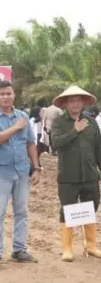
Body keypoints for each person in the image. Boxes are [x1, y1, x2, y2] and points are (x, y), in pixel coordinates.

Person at [0, 80, 41, 270]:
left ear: (14, 95)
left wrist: (36, 168)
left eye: (9, 93)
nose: (6, 97)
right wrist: (16, 127)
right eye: (2, 94)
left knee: (21, 211)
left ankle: (19, 249)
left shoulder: (23, 115)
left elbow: (31, 144)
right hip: (0, 172)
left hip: (22, 171)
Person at [50, 85, 101, 261]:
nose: (75, 103)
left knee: (91, 208)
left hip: (90, 175)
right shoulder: (59, 122)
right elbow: (55, 143)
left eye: (78, 100)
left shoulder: (92, 123)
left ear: (83, 103)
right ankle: (67, 249)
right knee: (67, 210)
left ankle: (91, 246)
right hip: (68, 176)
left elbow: (98, 149)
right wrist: (75, 130)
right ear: (65, 103)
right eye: (71, 100)